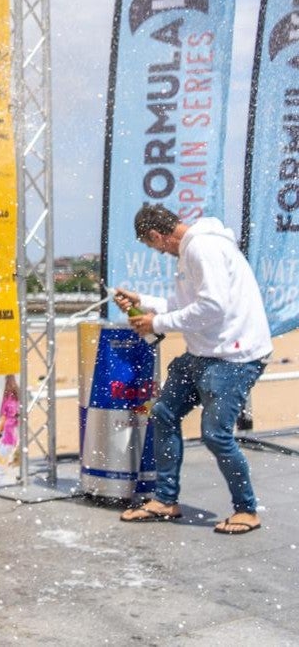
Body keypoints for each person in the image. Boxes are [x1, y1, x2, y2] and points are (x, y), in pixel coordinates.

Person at [116, 204, 273, 535]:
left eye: (151, 245)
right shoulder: (193, 250)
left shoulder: (203, 248)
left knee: (215, 435)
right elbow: (185, 305)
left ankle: (247, 510)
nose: (156, 252)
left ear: (157, 235)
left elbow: (212, 307)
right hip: (204, 353)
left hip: (234, 357)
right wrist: (143, 301)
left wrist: (155, 322)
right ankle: (165, 500)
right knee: (163, 413)